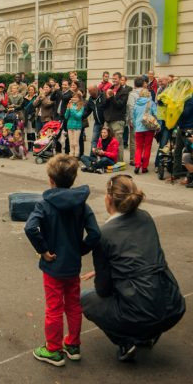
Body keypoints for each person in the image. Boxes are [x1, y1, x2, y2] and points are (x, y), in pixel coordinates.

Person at [81, 175, 185, 362]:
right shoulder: (145, 217)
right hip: (172, 304)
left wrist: (108, 273)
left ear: (109, 198)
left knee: (85, 299)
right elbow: (140, 257)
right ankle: (148, 333)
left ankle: (127, 341)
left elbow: (103, 289)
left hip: (140, 309)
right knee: (140, 299)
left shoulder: (104, 234)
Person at [24, 154, 100, 367]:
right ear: (73, 179)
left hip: (53, 266)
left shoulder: (44, 204)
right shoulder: (82, 205)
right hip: (73, 265)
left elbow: (30, 227)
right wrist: (80, 249)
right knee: (74, 305)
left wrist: (43, 250)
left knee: (54, 308)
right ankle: (73, 346)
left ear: (51, 180)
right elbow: (95, 234)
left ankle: (54, 350)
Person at [104, 72, 128, 162]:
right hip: (108, 119)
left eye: (116, 78)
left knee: (118, 143)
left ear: (120, 79)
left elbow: (119, 105)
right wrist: (107, 98)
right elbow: (105, 104)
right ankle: (110, 160)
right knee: (108, 142)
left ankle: (119, 162)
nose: (114, 80)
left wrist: (112, 97)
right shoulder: (109, 89)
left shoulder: (124, 92)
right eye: (113, 78)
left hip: (118, 120)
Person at [132, 89, 157, 174]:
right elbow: (156, 114)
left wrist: (136, 126)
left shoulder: (136, 103)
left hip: (138, 129)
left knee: (138, 147)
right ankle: (144, 167)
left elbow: (134, 117)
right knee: (147, 147)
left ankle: (137, 164)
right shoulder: (151, 103)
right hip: (149, 128)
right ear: (148, 95)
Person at [126, 77, 144, 166]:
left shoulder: (132, 94)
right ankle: (140, 158)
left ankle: (133, 159)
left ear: (134, 84)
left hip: (136, 120)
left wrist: (131, 120)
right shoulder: (146, 93)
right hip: (144, 120)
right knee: (142, 140)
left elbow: (131, 107)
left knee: (133, 141)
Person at [83, 85, 106, 156]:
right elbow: (86, 111)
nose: (89, 93)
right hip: (97, 123)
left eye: (90, 91)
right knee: (94, 140)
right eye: (88, 91)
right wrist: (79, 118)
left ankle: (105, 156)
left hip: (105, 123)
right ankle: (92, 157)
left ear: (96, 90)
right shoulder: (90, 100)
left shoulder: (103, 96)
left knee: (105, 140)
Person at [65, 93, 84, 158]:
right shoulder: (70, 105)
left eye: (76, 97)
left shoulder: (81, 106)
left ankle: (76, 155)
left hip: (77, 126)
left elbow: (78, 116)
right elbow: (66, 116)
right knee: (71, 143)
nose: (74, 99)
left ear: (79, 99)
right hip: (70, 126)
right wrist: (68, 108)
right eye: (73, 97)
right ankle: (71, 155)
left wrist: (71, 109)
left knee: (75, 142)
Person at [120, 76, 132, 150]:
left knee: (126, 126)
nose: (121, 81)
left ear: (125, 81)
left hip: (126, 108)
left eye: (123, 80)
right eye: (121, 80)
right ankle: (121, 141)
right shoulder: (117, 88)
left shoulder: (129, 88)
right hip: (120, 109)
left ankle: (125, 142)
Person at [24, 84, 38, 152]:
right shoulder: (25, 98)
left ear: (34, 90)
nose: (30, 91)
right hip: (27, 117)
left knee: (33, 132)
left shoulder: (36, 97)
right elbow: (22, 106)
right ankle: (29, 146)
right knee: (28, 132)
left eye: (32, 90)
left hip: (33, 116)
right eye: (29, 90)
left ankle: (33, 146)